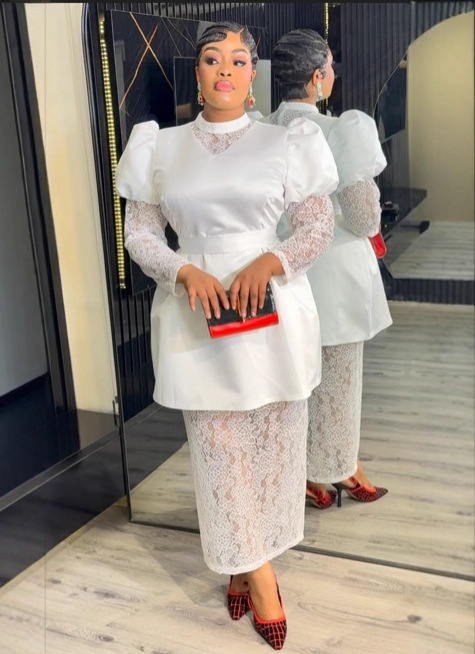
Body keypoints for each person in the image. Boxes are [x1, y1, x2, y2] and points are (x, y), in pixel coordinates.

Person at [115, 22, 338, 650]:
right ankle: (262, 579)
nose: (225, 70)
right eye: (212, 59)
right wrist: (182, 270)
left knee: (270, 451)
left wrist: (274, 260)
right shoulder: (160, 146)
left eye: (239, 61)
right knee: (219, 453)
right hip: (196, 318)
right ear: (197, 73)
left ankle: (244, 562)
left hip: (274, 315)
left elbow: (317, 228)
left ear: (252, 74)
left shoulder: (286, 141)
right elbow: (140, 234)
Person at [267, 29, 392, 510]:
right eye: (331, 66)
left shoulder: (260, 130)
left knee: (293, 383)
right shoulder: (340, 131)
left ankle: (302, 475)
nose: (334, 73)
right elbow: (362, 217)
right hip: (335, 274)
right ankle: (339, 469)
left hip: (282, 272)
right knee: (338, 380)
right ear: (317, 77)